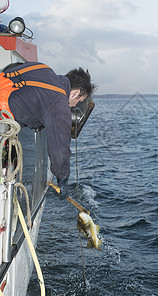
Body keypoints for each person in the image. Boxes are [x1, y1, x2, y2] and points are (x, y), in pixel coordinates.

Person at [0, 61, 95, 199]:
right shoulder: (59, 101)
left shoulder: (43, 69)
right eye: (79, 101)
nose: (74, 106)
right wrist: (62, 180)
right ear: (75, 93)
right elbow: (59, 148)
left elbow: (12, 69)